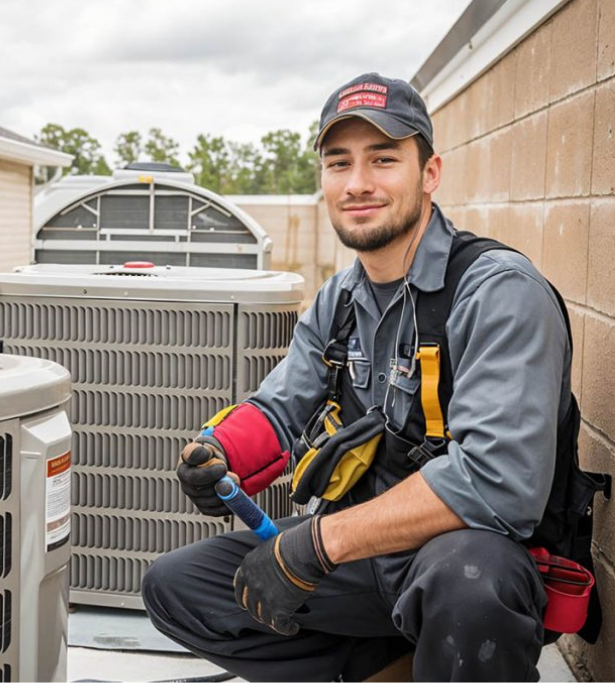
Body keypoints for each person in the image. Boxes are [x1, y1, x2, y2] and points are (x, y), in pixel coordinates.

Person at [142, 73, 574, 681]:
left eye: (384, 159)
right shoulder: (340, 298)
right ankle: (384, 669)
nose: (358, 183)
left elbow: (499, 483)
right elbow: (281, 404)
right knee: (177, 586)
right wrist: (217, 451)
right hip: (367, 552)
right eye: (338, 162)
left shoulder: (497, 291)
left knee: (471, 585)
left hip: (465, 555)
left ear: (430, 173)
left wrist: (318, 544)